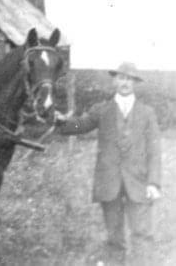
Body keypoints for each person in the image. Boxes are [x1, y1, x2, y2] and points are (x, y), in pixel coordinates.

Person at [57, 61, 161, 266]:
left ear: (135, 83)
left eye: (129, 79)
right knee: (114, 237)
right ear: (114, 80)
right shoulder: (102, 110)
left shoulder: (147, 113)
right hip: (109, 183)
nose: (125, 83)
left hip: (139, 183)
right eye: (121, 78)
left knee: (142, 234)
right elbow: (81, 125)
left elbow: (154, 151)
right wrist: (59, 122)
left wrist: (153, 183)